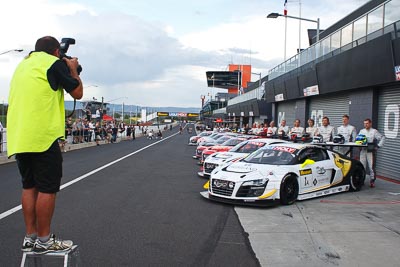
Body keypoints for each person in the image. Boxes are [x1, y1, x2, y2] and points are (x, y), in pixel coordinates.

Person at [7, 36, 83, 254]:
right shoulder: (54, 63)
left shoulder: (23, 65)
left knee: (29, 186)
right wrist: (73, 69)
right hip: (43, 136)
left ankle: (30, 238)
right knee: (47, 189)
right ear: (56, 52)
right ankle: (44, 240)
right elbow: (77, 92)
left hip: (20, 136)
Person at [358, 118, 385, 188]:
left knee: (371, 167)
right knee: (362, 166)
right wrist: (358, 146)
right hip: (363, 151)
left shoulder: (374, 131)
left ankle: (372, 181)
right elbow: (357, 139)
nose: (365, 125)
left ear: (370, 124)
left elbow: (382, 138)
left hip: (371, 151)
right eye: (364, 123)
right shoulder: (361, 131)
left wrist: (378, 146)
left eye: (367, 123)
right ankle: (362, 180)